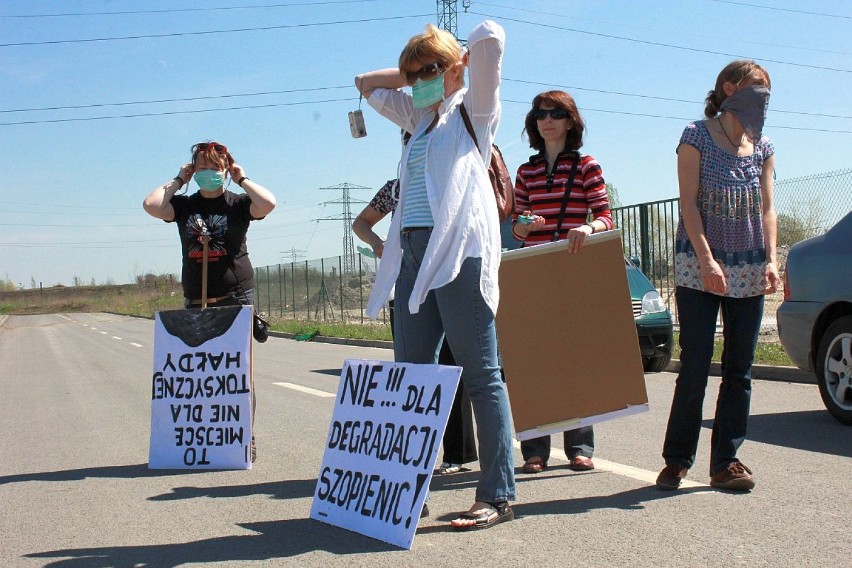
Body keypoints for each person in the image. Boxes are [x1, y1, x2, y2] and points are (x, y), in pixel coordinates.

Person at [355, 20, 515, 531]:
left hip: (459, 253)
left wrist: (458, 63)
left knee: (481, 373)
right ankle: (405, 488)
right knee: (412, 374)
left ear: (454, 66)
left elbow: (490, 36)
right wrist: (414, 77)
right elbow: (364, 84)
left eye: (429, 69)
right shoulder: (418, 117)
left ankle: (497, 493)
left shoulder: (474, 110)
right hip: (412, 253)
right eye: (412, 71)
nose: (419, 79)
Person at [656, 60, 778, 491]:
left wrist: (770, 261)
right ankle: (676, 459)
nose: (763, 95)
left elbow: (766, 208)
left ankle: (726, 461)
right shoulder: (695, 135)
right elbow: (688, 204)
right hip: (698, 266)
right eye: (755, 87)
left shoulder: (762, 147)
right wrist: (707, 260)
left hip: (748, 266)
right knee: (695, 363)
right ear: (729, 88)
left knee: (739, 368)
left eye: (767, 89)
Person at [143, 141, 276, 462]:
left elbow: (268, 203)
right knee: (203, 375)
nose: (207, 173)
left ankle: (245, 436)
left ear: (225, 170)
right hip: (196, 298)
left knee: (237, 372)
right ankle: (208, 436)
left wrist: (241, 178)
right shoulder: (185, 206)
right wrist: (178, 180)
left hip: (236, 297)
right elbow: (151, 204)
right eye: (200, 167)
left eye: (213, 168)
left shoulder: (237, 204)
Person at [510, 90, 613, 475]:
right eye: (540, 114)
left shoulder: (587, 165)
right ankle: (534, 450)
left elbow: (605, 215)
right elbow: (517, 228)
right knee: (534, 361)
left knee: (574, 358)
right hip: (534, 269)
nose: (547, 119)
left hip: (573, 268)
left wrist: (587, 226)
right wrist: (523, 225)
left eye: (556, 113)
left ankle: (580, 447)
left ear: (570, 121)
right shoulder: (526, 172)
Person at [352, 178, 479, 476]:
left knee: (453, 367)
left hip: (449, 280)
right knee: (413, 374)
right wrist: (378, 244)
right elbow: (361, 223)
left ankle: (456, 455)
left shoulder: (452, 179)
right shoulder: (396, 188)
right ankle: (410, 462)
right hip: (407, 286)